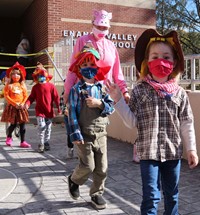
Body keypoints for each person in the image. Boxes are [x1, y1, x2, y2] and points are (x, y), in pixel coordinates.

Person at [106, 29, 199, 215]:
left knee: (172, 195)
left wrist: (191, 149)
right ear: (147, 62)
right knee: (151, 197)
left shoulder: (180, 93)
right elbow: (132, 122)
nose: (160, 60)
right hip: (148, 153)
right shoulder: (140, 91)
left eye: (166, 56)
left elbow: (187, 122)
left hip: (173, 153)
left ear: (174, 62)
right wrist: (118, 100)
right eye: (155, 56)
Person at [63, 9, 130, 157]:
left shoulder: (111, 46)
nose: (101, 30)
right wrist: (67, 91)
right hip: (84, 90)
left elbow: (117, 72)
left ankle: (97, 161)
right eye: (99, 26)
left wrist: (124, 91)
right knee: (81, 123)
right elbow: (73, 67)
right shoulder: (82, 41)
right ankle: (82, 156)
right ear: (92, 23)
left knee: (99, 125)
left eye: (105, 27)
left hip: (104, 93)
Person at [67, 46, 114, 210]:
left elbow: (110, 107)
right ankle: (74, 180)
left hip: (101, 134)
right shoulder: (76, 90)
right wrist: (76, 134)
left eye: (92, 64)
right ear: (79, 68)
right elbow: (71, 113)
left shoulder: (101, 88)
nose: (88, 68)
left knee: (102, 167)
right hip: (83, 135)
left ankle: (96, 193)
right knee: (88, 166)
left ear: (98, 66)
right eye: (84, 65)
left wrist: (99, 103)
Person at [25, 62, 61, 153]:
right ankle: (41, 143)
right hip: (40, 111)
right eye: (38, 75)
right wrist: (27, 104)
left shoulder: (51, 86)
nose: (40, 77)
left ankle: (46, 142)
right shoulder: (35, 87)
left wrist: (59, 108)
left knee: (48, 128)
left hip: (49, 111)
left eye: (42, 75)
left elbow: (56, 97)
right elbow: (31, 97)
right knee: (41, 126)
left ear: (46, 75)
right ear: (36, 77)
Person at [1, 62, 31, 148]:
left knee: (22, 124)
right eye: (13, 74)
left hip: (21, 107)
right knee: (13, 124)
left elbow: (25, 95)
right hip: (12, 107)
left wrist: (22, 103)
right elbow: (6, 96)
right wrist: (15, 104)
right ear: (10, 75)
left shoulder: (22, 85)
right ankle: (9, 136)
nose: (15, 76)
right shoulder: (9, 85)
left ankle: (23, 141)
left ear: (21, 75)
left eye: (18, 74)